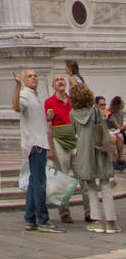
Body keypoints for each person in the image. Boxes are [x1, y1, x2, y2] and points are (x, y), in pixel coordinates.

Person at [69, 82, 120, 234]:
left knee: (90, 186)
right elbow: (102, 130)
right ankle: (110, 222)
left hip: (84, 152)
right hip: (99, 150)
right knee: (105, 184)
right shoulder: (95, 112)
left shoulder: (72, 114)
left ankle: (96, 220)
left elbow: (74, 134)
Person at [12, 69, 56, 233]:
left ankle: (30, 218)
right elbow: (16, 107)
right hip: (36, 145)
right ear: (24, 80)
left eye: (35, 75)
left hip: (38, 143)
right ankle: (43, 220)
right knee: (39, 183)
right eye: (30, 76)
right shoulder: (25, 94)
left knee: (33, 183)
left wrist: (47, 118)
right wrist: (17, 86)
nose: (34, 78)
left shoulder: (35, 96)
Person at [45, 74, 90, 223]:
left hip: (75, 139)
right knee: (63, 176)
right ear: (53, 85)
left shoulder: (72, 100)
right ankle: (64, 212)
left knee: (83, 175)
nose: (60, 82)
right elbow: (49, 125)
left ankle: (89, 211)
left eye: (61, 80)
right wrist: (50, 148)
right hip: (59, 140)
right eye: (57, 80)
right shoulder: (50, 102)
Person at [105, 96, 126, 170]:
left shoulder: (122, 112)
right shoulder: (110, 114)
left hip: (119, 132)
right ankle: (113, 160)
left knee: (120, 136)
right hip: (111, 131)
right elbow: (118, 127)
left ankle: (120, 158)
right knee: (119, 136)